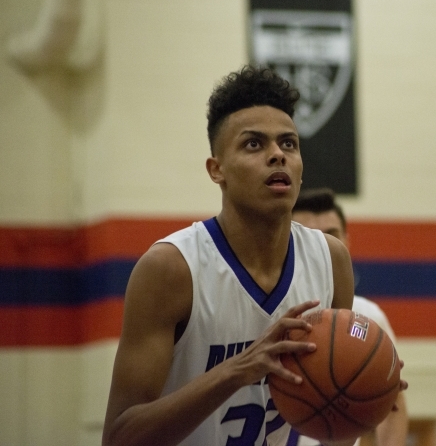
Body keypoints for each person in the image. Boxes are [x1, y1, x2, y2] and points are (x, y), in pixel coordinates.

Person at [101, 66, 409, 446]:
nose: (277, 155)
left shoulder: (331, 260)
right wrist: (238, 370)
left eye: (289, 144)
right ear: (217, 170)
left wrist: (365, 388)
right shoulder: (171, 269)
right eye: (254, 144)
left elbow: (336, 425)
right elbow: (120, 437)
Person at [291, 188, 409, 446]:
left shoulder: (368, 315)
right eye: (311, 237)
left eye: (331, 236)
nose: (322, 247)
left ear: (346, 241)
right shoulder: (268, 311)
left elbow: (394, 406)